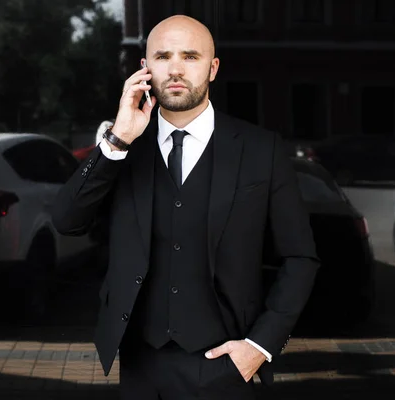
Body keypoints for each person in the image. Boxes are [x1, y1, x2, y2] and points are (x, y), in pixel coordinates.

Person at [52, 15, 320, 400]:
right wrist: (118, 139)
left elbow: (301, 258)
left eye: (190, 56)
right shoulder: (123, 147)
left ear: (212, 68)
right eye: (163, 56)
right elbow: (66, 221)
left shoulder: (262, 149)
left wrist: (259, 347)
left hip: (227, 367)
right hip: (140, 365)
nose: (176, 69)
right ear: (144, 69)